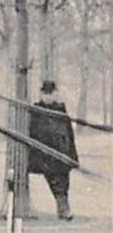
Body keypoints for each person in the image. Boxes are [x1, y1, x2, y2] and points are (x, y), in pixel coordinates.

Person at [28, 79, 78, 220]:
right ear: (41, 94)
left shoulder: (61, 110)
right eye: (45, 94)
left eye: (50, 94)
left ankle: (63, 208)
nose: (48, 97)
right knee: (55, 181)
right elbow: (32, 132)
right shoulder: (36, 110)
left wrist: (72, 155)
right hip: (45, 153)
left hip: (61, 152)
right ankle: (64, 209)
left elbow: (69, 134)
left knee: (64, 181)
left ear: (55, 94)